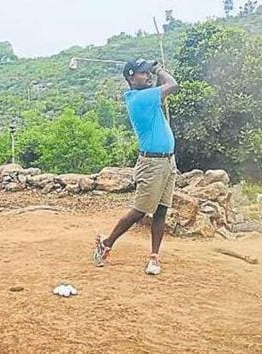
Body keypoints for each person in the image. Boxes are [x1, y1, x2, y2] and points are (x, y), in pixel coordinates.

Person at [92, 58, 179, 275]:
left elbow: (165, 86)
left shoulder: (146, 95)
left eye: (148, 72)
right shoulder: (139, 98)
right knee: (140, 211)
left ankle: (154, 258)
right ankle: (107, 243)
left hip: (167, 161)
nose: (147, 76)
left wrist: (156, 73)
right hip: (152, 164)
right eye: (143, 73)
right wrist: (159, 69)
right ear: (131, 78)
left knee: (161, 210)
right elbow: (173, 85)